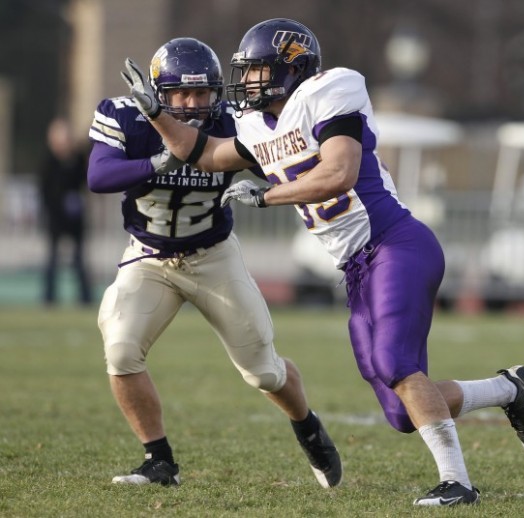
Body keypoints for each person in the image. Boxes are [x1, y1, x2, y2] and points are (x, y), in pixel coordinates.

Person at [121, 20, 524, 505]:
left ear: (291, 68)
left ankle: (458, 484)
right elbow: (205, 153)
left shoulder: (330, 90)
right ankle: (508, 390)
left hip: (395, 243)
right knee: (402, 411)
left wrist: (268, 195)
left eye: (258, 70)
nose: (249, 81)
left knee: (395, 363)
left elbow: (339, 173)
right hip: (358, 268)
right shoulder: (257, 125)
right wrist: (155, 113)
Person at [89, 37, 342, 488]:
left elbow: (285, 168)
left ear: (216, 94)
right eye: (181, 94)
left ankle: (306, 424)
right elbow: (99, 174)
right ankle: (159, 460)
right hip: (149, 257)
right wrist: (158, 160)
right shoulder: (125, 114)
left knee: (264, 372)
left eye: (202, 93)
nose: (191, 104)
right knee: (121, 351)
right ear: (158, 94)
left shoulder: (234, 123)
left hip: (213, 256)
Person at [38, 117, 93, 306]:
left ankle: (85, 297)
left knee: (79, 260)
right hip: (56, 219)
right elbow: (44, 192)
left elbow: (86, 181)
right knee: (52, 260)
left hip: (75, 219)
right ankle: (49, 298)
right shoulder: (48, 162)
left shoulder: (77, 159)